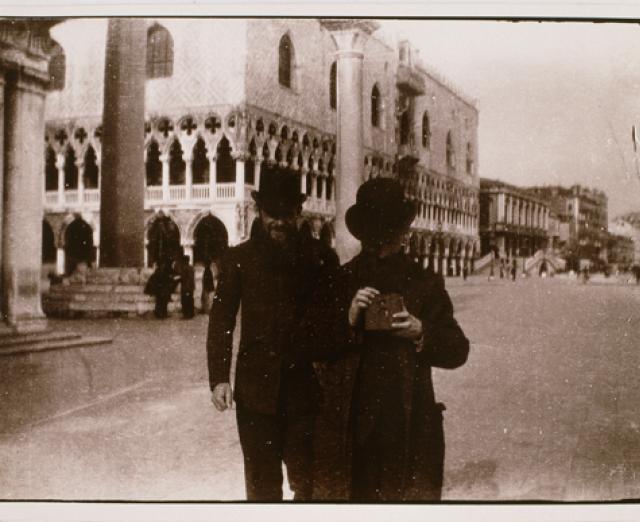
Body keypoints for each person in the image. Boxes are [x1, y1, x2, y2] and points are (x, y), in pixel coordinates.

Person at [306, 178, 469, 501]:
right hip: (351, 425)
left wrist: (421, 331)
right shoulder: (342, 280)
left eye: (389, 230)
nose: (383, 240)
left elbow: (458, 349)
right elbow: (312, 344)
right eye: (377, 231)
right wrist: (349, 318)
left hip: (407, 423)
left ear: (400, 231)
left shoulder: (423, 282)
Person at [206, 164, 339, 501]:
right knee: (262, 488)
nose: (278, 221)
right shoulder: (237, 260)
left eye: (286, 213)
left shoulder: (320, 259)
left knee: (307, 486)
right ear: (259, 210)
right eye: (271, 213)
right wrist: (220, 378)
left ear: (298, 211)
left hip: (305, 396)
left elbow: (333, 322)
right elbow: (221, 321)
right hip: (255, 395)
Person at [177, 255, 195, 319]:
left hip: (185, 287)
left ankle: (187, 315)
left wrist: (176, 279)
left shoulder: (184, 268)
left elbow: (183, 277)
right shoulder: (191, 267)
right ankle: (191, 313)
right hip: (191, 287)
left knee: (185, 301)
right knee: (190, 300)